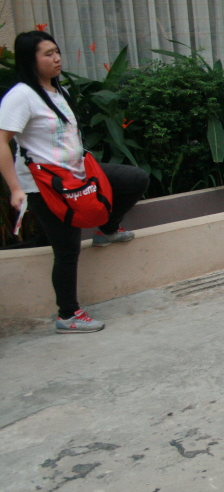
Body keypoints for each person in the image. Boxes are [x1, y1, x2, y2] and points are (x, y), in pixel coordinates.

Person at [0, 30, 149, 333]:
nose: (56, 59)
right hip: (45, 185)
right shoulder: (21, 96)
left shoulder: (58, 91)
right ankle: (67, 315)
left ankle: (107, 229)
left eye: (57, 51)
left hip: (78, 173)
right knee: (67, 250)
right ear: (31, 60)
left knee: (134, 179)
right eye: (47, 54)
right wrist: (15, 188)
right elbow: (2, 141)